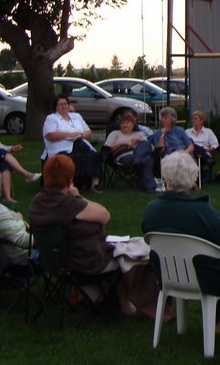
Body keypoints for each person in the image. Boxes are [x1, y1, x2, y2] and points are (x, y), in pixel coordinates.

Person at [29, 154, 160, 318]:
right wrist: (77, 195)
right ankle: (131, 305)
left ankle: (110, 299)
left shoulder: (37, 202)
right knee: (133, 253)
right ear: (70, 178)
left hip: (52, 262)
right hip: (84, 264)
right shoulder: (71, 204)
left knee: (119, 252)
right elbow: (104, 215)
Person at [142, 151, 220, 333]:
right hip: (204, 277)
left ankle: (217, 322)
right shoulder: (202, 212)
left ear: (165, 177)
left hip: (167, 275)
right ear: (193, 179)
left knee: (210, 257)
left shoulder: (151, 210)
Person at [43, 94, 101, 193]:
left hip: (79, 143)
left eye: (66, 104)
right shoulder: (51, 118)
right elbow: (50, 135)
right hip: (61, 147)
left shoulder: (76, 116)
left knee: (93, 155)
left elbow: (89, 132)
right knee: (67, 159)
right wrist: (70, 135)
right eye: (60, 104)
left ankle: (93, 185)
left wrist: (81, 136)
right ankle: (69, 186)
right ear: (55, 107)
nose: (64, 106)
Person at [105, 112, 156, 192]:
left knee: (145, 144)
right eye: (123, 123)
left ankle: (137, 160)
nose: (125, 125)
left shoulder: (139, 134)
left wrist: (139, 140)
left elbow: (150, 148)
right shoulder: (115, 134)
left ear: (133, 125)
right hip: (124, 157)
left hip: (137, 154)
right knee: (147, 160)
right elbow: (106, 148)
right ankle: (149, 187)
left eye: (127, 123)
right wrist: (123, 144)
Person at [148, 106, 194, 178]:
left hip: (183, 153)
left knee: (183, 159)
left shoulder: (180, 130)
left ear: (172, 120)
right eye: (162, 118)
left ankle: (188, 181)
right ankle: (187, 182)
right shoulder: (158, 133)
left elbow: (191, 146)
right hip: (169, 156)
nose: (162, 120)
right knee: (177, 159)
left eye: (165, 118)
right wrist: (162, 135)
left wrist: (185, 152)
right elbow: (160, 149)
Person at [186, 110, 220, 181]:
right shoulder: (187, 132)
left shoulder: (208, 132)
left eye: (195, 119)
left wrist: (208, 150)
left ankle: (199, 178)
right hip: (191, 153)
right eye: (192, 118)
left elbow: (215, 144)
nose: (193, 120)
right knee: (193, 144)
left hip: (205, 151)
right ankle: (207, 159)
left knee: (196, 148)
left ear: (201, 120)